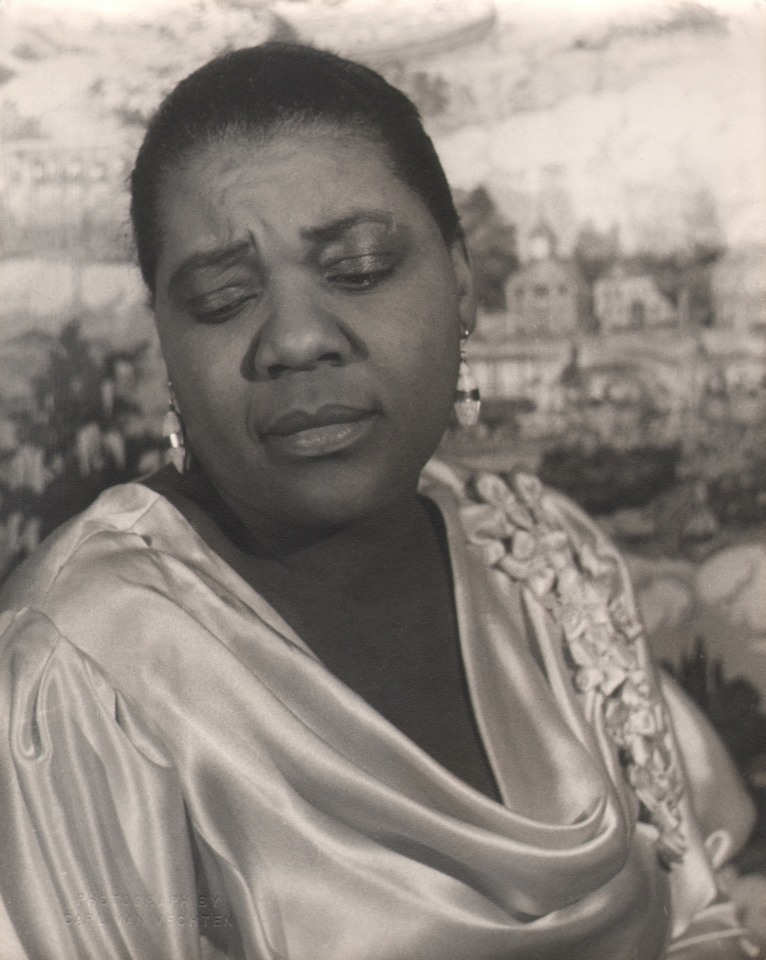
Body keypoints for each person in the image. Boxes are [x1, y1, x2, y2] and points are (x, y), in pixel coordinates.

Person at [0, 42, 761, 960]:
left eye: (357, 269)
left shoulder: (545, 562)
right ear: (165, 336)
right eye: (223, 297)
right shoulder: (81, 671)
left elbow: (697, 911)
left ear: (463, 282)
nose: (296, 339)